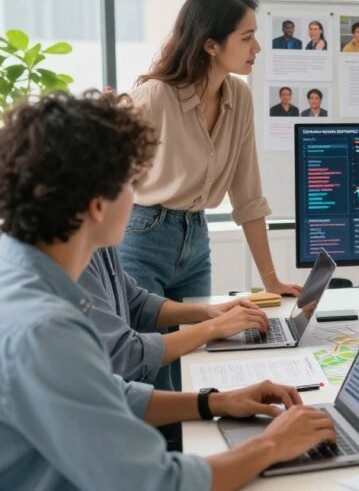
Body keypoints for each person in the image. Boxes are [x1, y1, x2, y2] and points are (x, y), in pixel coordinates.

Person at [0, 91, 337, 491]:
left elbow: (106, 394)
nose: (138, 195)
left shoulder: (26, 267)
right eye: (130, 182)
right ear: (96, 206)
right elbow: (157, 482)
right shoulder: (46, 329)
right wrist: (272, 443)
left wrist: (214, 401)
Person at [122, 0, 303, 304]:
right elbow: (101, 178)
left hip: (196, 239)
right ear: (211, 45)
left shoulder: (240, 96)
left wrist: (271, 281)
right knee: (151, 352)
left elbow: (248, 196)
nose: (257, 47)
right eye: (246, 38)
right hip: (141, 236)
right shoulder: (154, 98)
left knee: (196, 350)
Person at [79, 246, 270, 384]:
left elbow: (137, 303)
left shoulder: (101, 247)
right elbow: (126, 355)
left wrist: (208, 312)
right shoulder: (76, 265)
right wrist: (214, 328)